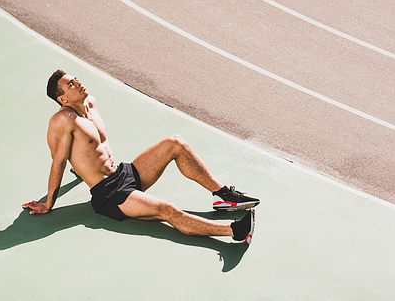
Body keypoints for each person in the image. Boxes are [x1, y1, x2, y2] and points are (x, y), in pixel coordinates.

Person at [23, 70, 260, 244]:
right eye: (71, 84)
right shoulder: (62, 120)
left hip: (123, 173)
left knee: (175, 143)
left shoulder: (91, 103)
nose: (78, 83)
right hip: (110, 194)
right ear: (62, 99)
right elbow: (59, 161)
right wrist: (48, 203)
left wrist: (80, 167)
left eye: (75, 79)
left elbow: (89, 147)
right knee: (167, 210)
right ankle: (234, 232)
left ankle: (224, 196)